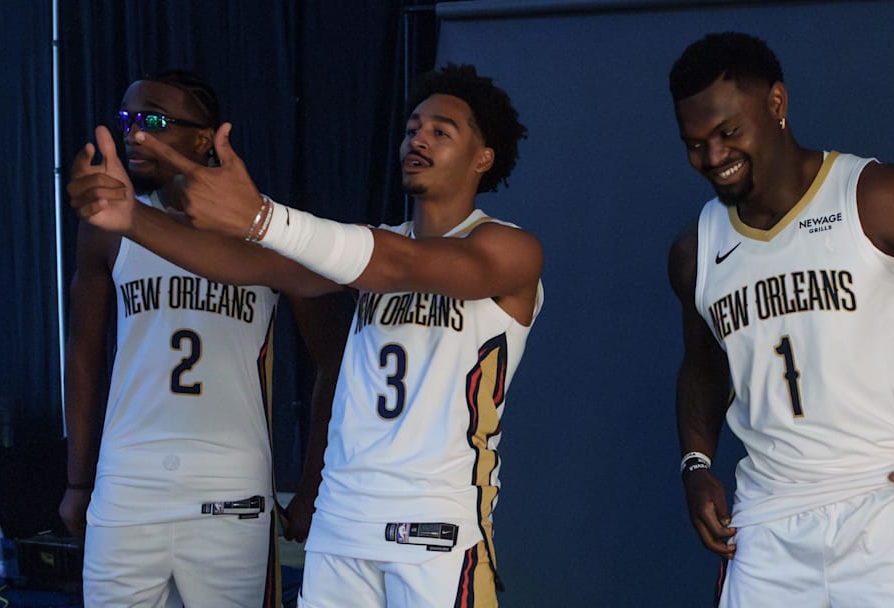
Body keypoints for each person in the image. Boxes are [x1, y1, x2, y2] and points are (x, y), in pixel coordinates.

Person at [67, 63, 543, 608]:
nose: (419, 138)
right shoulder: (376, 245)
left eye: (441, 130)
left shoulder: (511, 250)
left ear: (484, 158)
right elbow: (250, 263)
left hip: (435, 530)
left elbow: (398, 264)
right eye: (413, 127)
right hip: (344, 524)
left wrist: (262, 216)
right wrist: (130, 217)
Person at [667, 32, 894, 607]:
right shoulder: (697, 250)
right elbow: (706, 366)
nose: (713, 157)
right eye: (695, 144)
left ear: (777, 104)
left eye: (727, 133)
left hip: (892, 500)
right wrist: (695, 463)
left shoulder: (877, 198)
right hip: (767, 517)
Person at [59, 70, 348, 607]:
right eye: (127, 120)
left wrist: (312, 485)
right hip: (127, 480)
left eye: (153, 121)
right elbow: (82, 353)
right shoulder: (107, 225)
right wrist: (78, 479)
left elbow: (334, 362)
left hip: (229, 487)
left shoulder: (271, 231)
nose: (133, 134)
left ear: (204, 138)